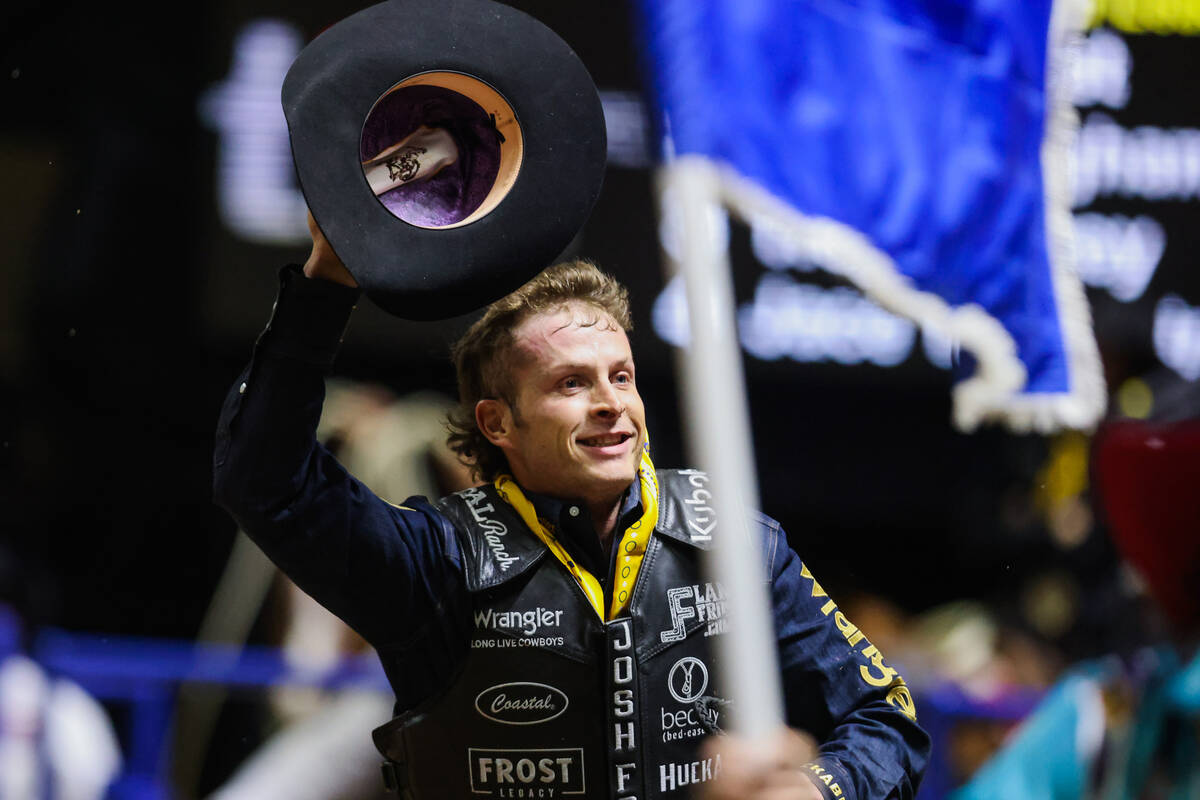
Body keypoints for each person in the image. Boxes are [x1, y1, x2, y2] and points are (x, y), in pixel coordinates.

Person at [212, 215, 930, 799]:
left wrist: (815, 791)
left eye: (622, 375)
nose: (612, 403)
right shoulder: (435, 562)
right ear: (498, 424)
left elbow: (885, 717)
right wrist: (325, 283)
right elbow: (266, 484)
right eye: (571, 384)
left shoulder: (736, 542)